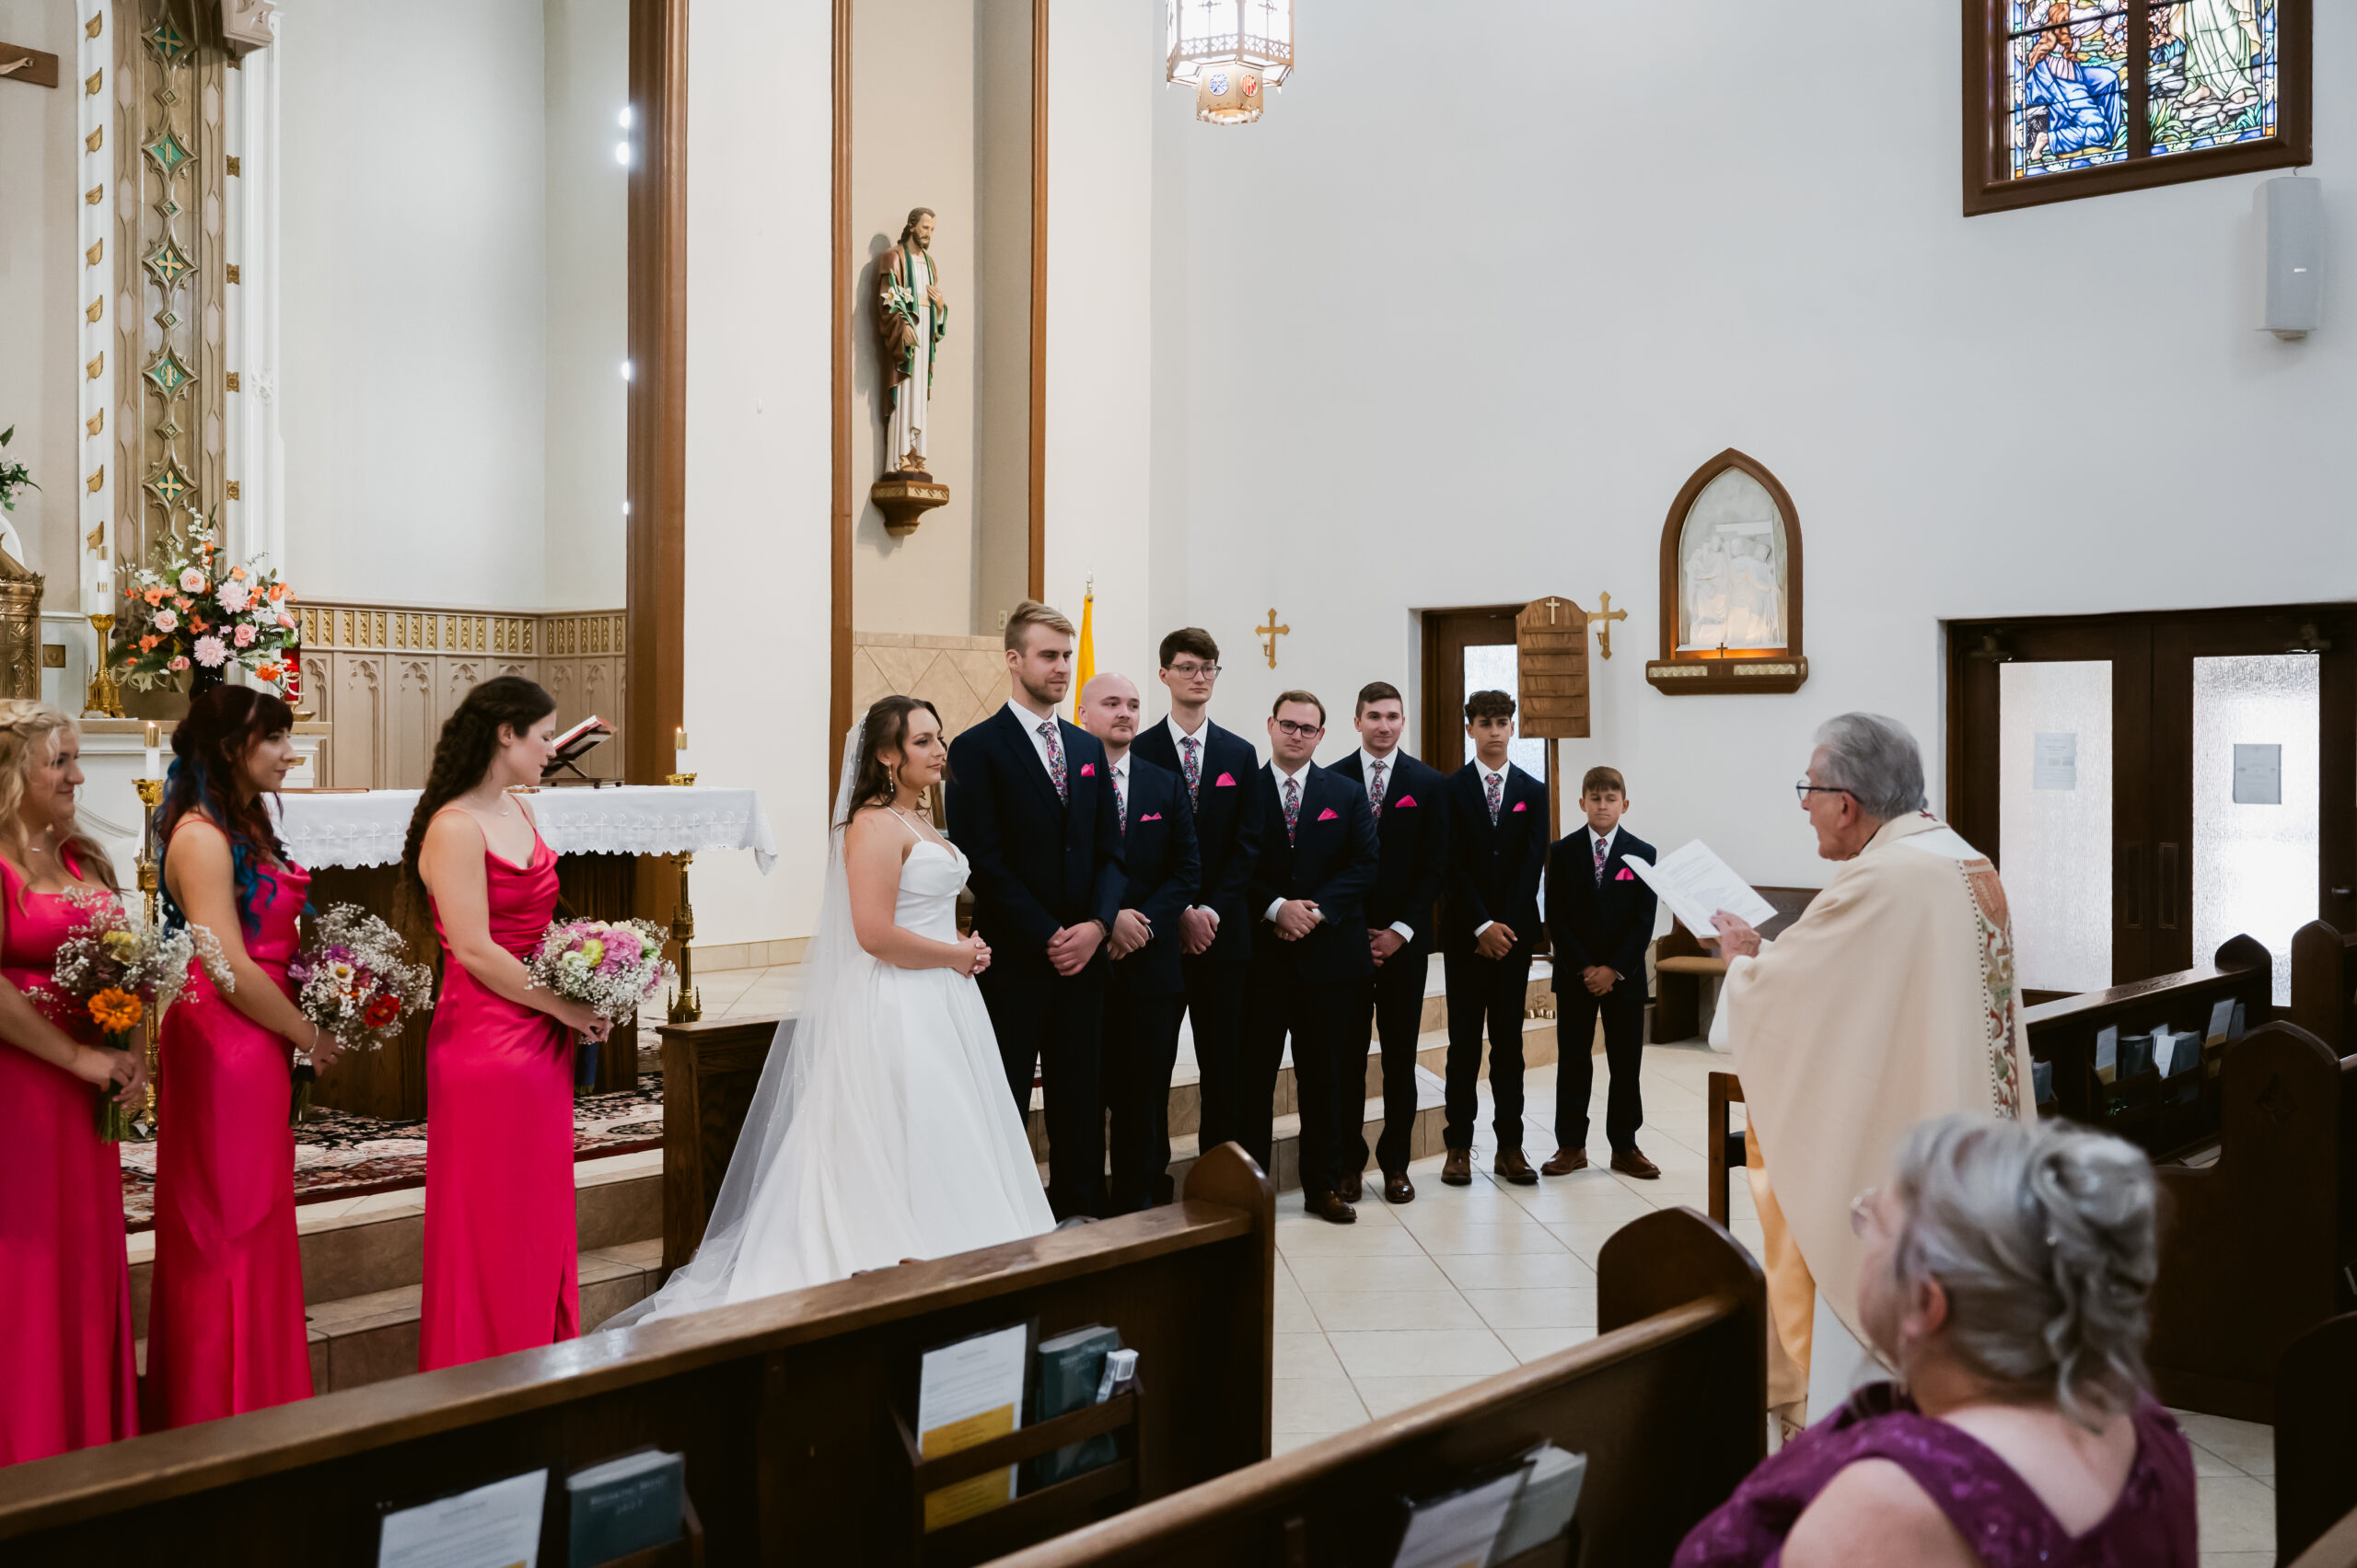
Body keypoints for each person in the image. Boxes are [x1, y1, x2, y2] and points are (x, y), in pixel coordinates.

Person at [610, 698, 1055, 1325]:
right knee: (907, 1124)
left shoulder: (921, 818)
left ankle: (963, 1250)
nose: (939, 750)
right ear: (885, 755)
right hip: (900, 1000)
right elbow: (873, 933)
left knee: (952, 1123)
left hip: (944, 997)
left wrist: (960, 949)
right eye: (923, 741)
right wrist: (955, 953)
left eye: (939, 737)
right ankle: (899, 1254)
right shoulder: (872, 825)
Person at [1675, 1114, 2197, 1567]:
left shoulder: (1888, 1509)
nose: (1862, 1231)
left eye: (1873, 1222)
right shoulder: (2139, 1420)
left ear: (1925, 1304)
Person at [1708, 713, 2035, 1429]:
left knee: (1880, 1375)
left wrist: (1741, 965)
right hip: (1971, 1147)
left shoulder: (1881, 879)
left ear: (1847, 802)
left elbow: (1783, 1002)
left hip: (1908, 1170)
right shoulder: (1964, 859)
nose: (1804, 805)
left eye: (1810, 788)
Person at [146, 687, 341, 1428]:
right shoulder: (199, 835)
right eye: (277, 739)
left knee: (258, 1216)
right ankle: (213, 1410)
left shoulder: (246, 822)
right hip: (224, 1037)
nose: (291, 752)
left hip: (255, 1031)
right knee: (222, 1223)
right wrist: (305, 1034)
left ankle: (262, 1394)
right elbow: (224, 961)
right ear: (232, 748)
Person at [406, 677, 612, 1371]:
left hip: (540, 1034)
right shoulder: (454, 824)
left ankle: (541, 1361)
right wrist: (562, 1003)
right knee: (490, 1221)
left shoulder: (522, 811)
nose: (553, 748)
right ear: (505, 734)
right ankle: (484, 1367)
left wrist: (588, 979)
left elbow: (538, 926)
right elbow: (473, 947)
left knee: (537, 1215)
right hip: (487, 1040)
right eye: (544, 734)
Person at [946, 601, 1125, 1220]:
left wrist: (1098, 926)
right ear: (1014, 659)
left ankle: (1081, 1213)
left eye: (1067, 656)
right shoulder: (976, 749)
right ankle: (1003, 1219)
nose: (1062, 668)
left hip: (1085, 961)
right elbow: (982, 860)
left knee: (1082, 1099)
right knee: (1006, 1097)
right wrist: (1051, 933)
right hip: (1017, 958)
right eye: (1049, 655)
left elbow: (1110, 851)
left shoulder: (1085, 745)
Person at [0, 703, 144, 1464]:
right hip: (19, 1094)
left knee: (82, 1262)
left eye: (76, 759)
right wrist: (75, 1056)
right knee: (25, 1266)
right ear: (12, 771)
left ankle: (90, 1445)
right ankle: (27, 1446)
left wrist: (133, 1048)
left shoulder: (83, 855)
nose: (78, 775)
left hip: (86, 1094)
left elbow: (125, 957)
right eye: (60, 761)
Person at [1244, 691, 1378, 1225]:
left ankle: (1322, 1187)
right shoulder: (1242, 790)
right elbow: (1230, 866)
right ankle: (1250, 1192)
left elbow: (1366, 864)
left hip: (1331, 964)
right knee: (1251, 1080)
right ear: (1270, 726)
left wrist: (1314, 912)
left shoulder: (1345, 793)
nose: (1297, 735)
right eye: (1288, 725)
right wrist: (1276, 908)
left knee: (1324, 1080)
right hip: (1261, 960)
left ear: (1322, 735)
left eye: (1308, 728)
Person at [1131, 629, 1264, 1161]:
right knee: (1151, 1064)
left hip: (1223, 935)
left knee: (1223, 1064)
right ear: (1164, 675)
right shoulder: (1138, 750)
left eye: (1209, 668)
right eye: (1187, 667)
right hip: (1158, 935)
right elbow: (1132, 847)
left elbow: (1248, 846)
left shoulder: (1239, 752)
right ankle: (1152, 1178)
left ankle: (1220, 1176)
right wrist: (1177, 911)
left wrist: (1208, 909)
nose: (1200, 677)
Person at [1077, 673, 1201, 1214]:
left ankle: (1138, 1203)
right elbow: (1065, 867)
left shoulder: (1163, 782)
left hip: (1151, 967)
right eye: (1111, 704)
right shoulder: (1070, 781)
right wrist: (1107, 919)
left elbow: (1187, 869)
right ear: (1084, 715)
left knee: (1143, 1096)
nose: (1125, 713)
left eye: (1132, 704)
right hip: (1086, 962)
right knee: (1084, 1096)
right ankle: (1083, 1204)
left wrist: (1141, 920)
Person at [1328, 681, 1446, 1205]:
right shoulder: (1330, 780)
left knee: (1400, 1057)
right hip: (1344, 942)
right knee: (1345, 1058)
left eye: (1393, 716)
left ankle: (1395, 1163)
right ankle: (1348, 1165)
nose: (1383, 725)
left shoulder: (1429, 783)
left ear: (1403, 723)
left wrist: (1401, 931)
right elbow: (1326, 866)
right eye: (1373, 715)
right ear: (1357, 722)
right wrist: (1353, 931)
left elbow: (1435, 866)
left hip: (1405, 943)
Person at [1436, 691, 1547, 1188]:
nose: (1496, 731)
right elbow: (1450, 863)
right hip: (1466, 936)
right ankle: (1458, 1146)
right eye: (1485, 723)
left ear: (1512, 726)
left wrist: (1505, 925)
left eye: (1503, 722)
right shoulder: (1450, 789)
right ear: (1471, 729)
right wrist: (1482, 925)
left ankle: (1511, 1147)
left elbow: (1531, 862)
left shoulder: (1533, 789)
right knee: (1463, 1045)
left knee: (1508, 1045)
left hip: (1515, 935)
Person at [1542, 766, 1659, 1179]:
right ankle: (1570, 1145)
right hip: (1576, 975)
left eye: (1611, 799)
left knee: (1626, 1062)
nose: (1603, 805)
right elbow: (1556, 915)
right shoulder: (1563, 850)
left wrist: (1613, 969)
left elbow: (1644, 920)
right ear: (1582, 804)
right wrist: (1586, 967)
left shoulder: (1643, 853)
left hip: (1623, 977)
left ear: (1624, 805)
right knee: (1574, 1061)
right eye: (1595, 798)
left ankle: (1625, 1146)